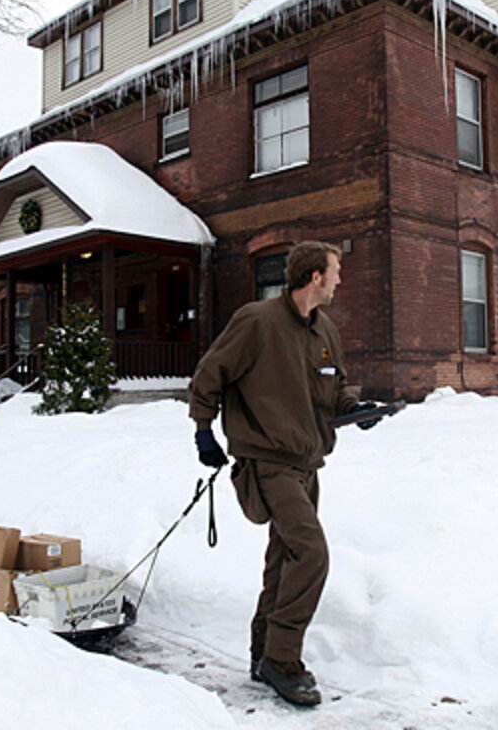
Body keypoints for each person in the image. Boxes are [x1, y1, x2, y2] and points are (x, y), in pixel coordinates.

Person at [188, 240, 375, 707]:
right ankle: (282, 660)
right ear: (315, 276)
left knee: (284, 559)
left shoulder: (324, 330)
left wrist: (357, 409)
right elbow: (210, 374)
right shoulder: (257, 321)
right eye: (335, 271)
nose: (340, 280)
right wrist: (204, 432)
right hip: (268, 461)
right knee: (310, 553)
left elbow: (333, 390)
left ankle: (262, 653)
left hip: (308, 463)